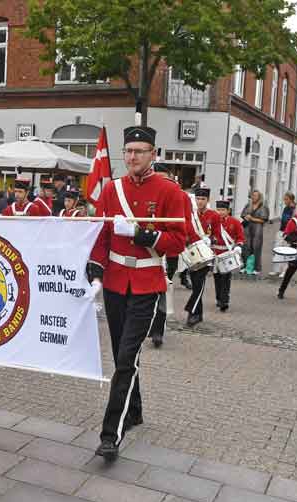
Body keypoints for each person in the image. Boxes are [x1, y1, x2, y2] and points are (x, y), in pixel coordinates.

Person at [87, 123, 187, 460]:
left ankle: (110, 435)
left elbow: (178, 241)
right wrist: (95, 267)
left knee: (127, 357)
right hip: (115, 283)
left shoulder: (171, 192)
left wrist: (148, 236)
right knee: (121, 356)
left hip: (146, 285)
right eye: (129, 151)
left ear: (153, 154)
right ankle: (135, 410)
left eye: (139, 151)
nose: (132, 157)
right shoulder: (112, 189)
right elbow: (101, 233)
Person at [149, 162, 185, 348]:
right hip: (147, 250)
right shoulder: (147, 191)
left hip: (168, 252)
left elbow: (184, 223)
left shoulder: (177, 194)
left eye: (164, 178)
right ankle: (149, 324)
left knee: (163, 292)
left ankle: (158, 331)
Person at [184, 187, 218, 326]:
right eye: (198, 199)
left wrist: (211, 240)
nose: (200, 202)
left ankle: (192, 312)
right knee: (196, 284)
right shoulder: (191, 215)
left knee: (199, 285)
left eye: (203, 199)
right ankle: (199, 314)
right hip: (193, 253)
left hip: (206, 254)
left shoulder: (214, 216)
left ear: (207, 200)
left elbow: (218, 234)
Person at [212, 199, 244, 311]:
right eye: (218, 210)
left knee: (226, 278)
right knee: (217, 278)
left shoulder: (235, 222)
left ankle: (224, 301)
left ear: (228, 210)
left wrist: (238, 246)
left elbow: (240, 237)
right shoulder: (213, 221)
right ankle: (218, 298)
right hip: (215, 253)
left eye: (223, 210)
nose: (220, 212)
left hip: (228, 252)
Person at [240, 190, 269, 275]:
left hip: (257, 228)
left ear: (259, 197)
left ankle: (256, 268)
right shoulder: (248, 205)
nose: (254, 197)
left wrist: (252, 218)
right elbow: (242, 214)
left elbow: (264, 219)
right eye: (253, 195)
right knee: (246, 247)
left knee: (256, 247)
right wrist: (246, 216)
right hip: (247, 228)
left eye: (256, 195)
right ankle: (245, 266)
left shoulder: (263, 207)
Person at [270, 192, 296, 277]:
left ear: (291, 199)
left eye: (286, 199)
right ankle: (276, 270)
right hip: (281, 231)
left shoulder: (294, 210)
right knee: (277, 250)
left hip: (288, 233)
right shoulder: (286, 208)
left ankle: (284, 271)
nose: (284, 201)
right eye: (284, 199)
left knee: (286, 251)